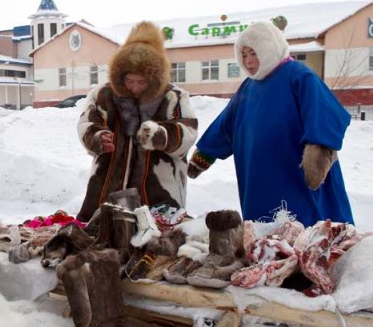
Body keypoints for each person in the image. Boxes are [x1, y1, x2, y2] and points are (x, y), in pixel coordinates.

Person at [187, 21, 354, 227]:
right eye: (244, 55)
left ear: (269, 48)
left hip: (296, 172)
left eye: (254, 53)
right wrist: (205, 154)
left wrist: (318, 152)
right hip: (257, 176)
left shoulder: (300, 76)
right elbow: (227, 124)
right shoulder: (249, 87)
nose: (248, 61)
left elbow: (324, 112)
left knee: (308, 230)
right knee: (265, 233)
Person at [76, 21, 198, 222]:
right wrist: (96, 137)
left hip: (159, 193)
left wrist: (161, 135)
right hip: (107, 189)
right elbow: (86, 122)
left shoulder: (173, 97)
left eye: (141, 82)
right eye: (129, 81)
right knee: (104, 238)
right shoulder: (103, 95)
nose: (135, 88)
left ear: (154, 77)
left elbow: (188, 130)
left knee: (158, 243)